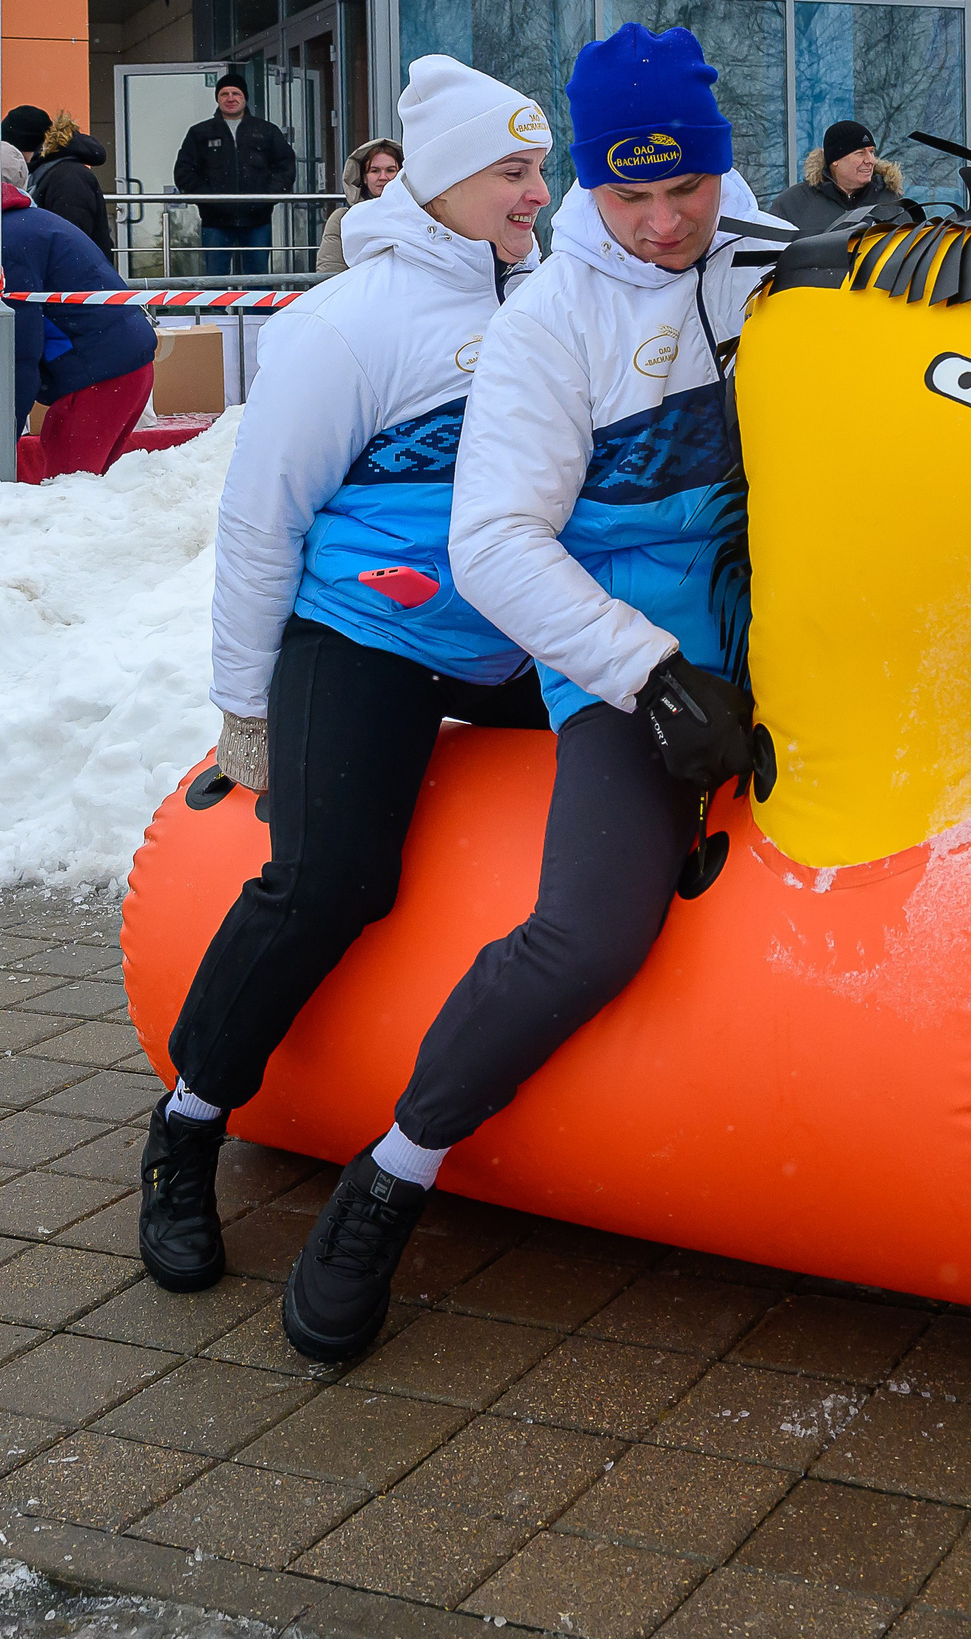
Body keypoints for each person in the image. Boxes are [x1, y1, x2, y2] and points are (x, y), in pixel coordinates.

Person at [279, 25, 789, 1361]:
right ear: (592, 186)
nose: (664, 223)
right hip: (627, 648)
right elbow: (495, 544)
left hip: (792, 626)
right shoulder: (548, 322)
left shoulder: (774, 262)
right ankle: (393, 1172)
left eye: (688, 188)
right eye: (632, 194)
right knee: (592, 930)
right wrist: (648, 674)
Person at [134, 56, 559, 1307]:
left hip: (519, 629)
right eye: (512, 171)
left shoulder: (552, 294)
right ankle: (188, 1125)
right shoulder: (346, 323)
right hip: (366, 630)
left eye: (541, 169)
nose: (537, 193)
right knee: (330, 882)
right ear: (442, 183)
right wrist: (245, 706)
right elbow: (261, 517)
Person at [0, 149, 157, 478]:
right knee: (85, 489)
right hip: (118, 366)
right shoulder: (18, 225)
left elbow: (19, 349)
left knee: (66, 490)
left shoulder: (6, 242)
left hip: (101, 377)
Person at [172, 69, 298, 276]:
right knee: (215, 280)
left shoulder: (266, 131)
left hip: (257, 220)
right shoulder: (200, 133)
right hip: (215, 221)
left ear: (244, 98)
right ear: (218, 99)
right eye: (224, 94)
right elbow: (184, 172)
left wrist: (266, 198)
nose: (230, 98)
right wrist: (209, 200)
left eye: (236, 93)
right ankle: (217, 302)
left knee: (258, 279)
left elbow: (285, 166)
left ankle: (257, 302)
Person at [4, 106, 116, 261]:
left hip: (73, 274)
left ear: (21, 148)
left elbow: (71, 245)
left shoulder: (68, 178)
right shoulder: (55, 174)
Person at [771, 120, 903, 235]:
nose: (871, 160)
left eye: (872, 152)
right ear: (835, 160)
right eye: (860, 153)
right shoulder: (793, 203)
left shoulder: (892, 202)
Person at [315, 137, 401, 275]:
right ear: (364, 177)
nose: (383, 177)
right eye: (375, 171)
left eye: (390, 170)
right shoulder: (341, 219)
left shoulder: (421, 214)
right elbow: (330, 272)